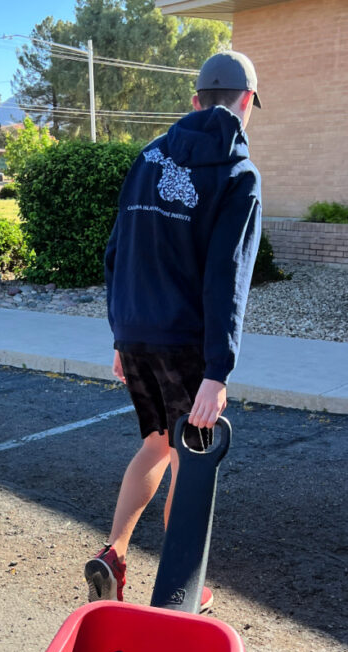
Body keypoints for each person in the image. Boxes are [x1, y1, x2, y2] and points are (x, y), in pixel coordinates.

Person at [84, 51, 262, 613]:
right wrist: (217, 371)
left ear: (194, 101)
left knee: (157, 444)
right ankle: (182, 586)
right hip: (185, 341)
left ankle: (112, 554)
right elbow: (227, 276)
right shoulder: (239, 174)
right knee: (190, 454)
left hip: (136, 329)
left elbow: (118, 250)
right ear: (247, 103)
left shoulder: (148, 157)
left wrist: (120, 335)